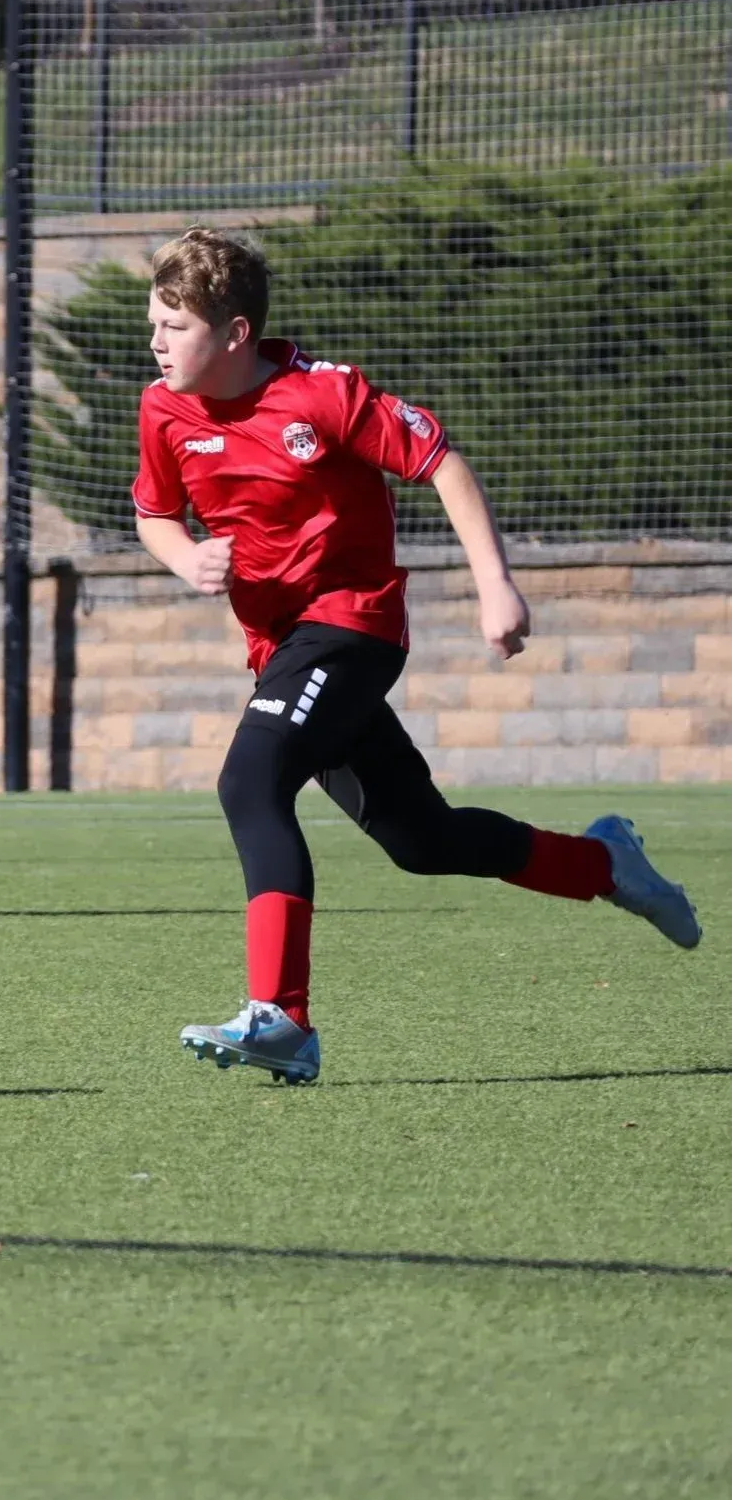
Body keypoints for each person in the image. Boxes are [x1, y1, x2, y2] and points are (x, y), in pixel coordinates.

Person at [131, 228, 701, 1085]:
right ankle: (605, 863)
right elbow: (154, 513)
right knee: (422, 839)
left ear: (236, 333)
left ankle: (283, 1017)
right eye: (154, 323)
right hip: (280, 648)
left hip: (351, 625)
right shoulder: (163, 410)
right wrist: (186, 557)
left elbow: (441, 462)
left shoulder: (323, 394)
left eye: (173, 326)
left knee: (250, 780)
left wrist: (495, 585)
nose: (156, 342)